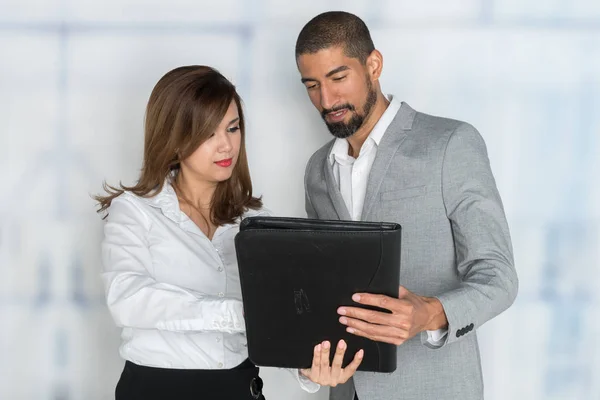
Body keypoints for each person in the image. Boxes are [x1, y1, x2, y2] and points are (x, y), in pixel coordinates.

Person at [94, 65, 356, 399]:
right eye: (208, 134)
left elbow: (282, 318)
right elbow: (127, 298)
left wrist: (308, 368)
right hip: (156, 390)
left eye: (232, 128)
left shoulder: (257, 224)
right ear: (174, 140)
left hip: (240, 388)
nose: (226, 146)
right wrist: (238, 313)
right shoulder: (135, 211)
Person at [295, 11, 519, 400]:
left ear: (373, 65)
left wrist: (429, 314)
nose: (326, 100)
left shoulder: (450, 144)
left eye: (337, 78)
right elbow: (321, 289)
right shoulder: (318, 170)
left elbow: (499, 277)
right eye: (312, 85)